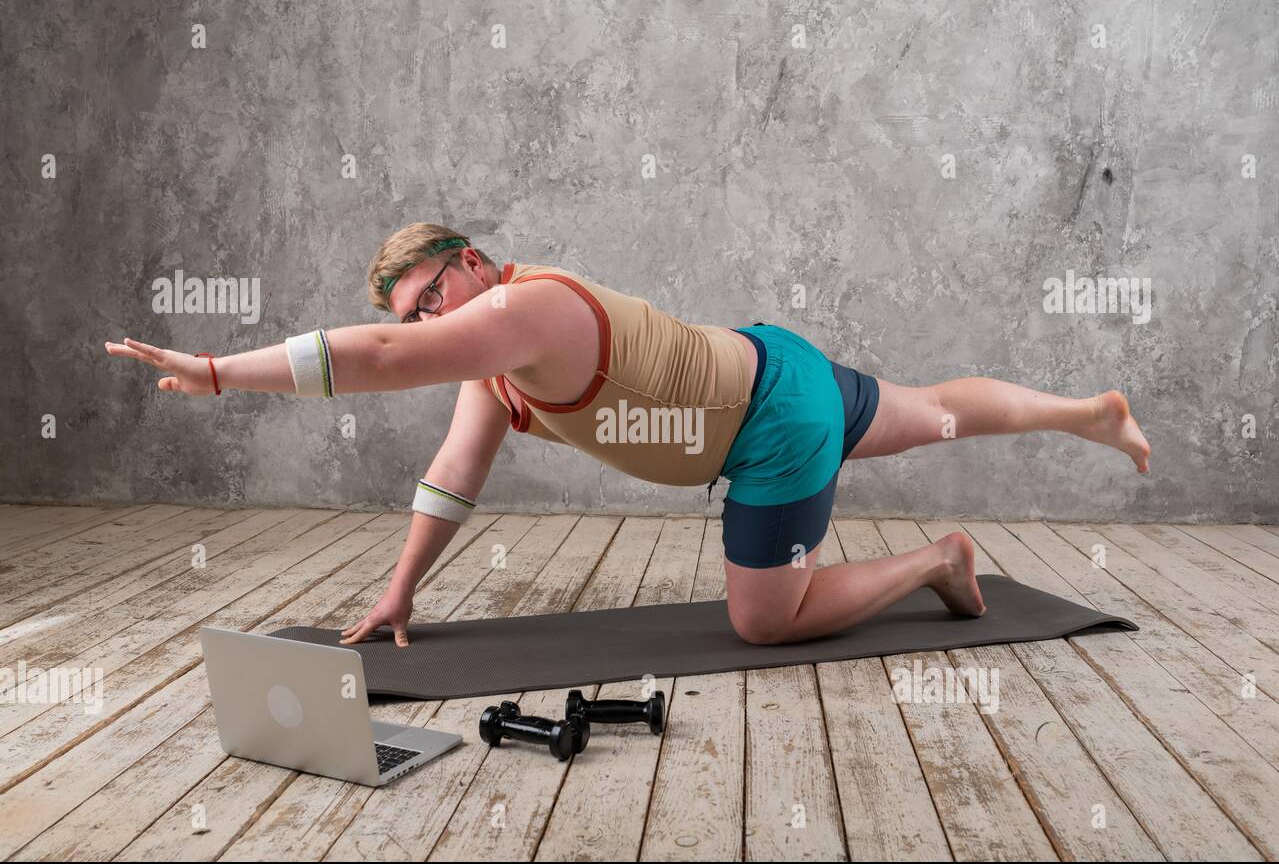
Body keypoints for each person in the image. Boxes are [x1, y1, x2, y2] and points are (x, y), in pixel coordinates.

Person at [105, 224, 1151, 648]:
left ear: (472, 262)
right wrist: (402, 590)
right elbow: (450, 478)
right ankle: (1087, 411)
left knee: (761, 622)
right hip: (769, 361)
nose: (431, 322)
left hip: (771, 426)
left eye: (433, 296)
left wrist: (213, 372)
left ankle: (940, 558)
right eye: (420, 311)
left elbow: (374, 358)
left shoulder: (531, 309)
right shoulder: (492, 365)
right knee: (933, 410)